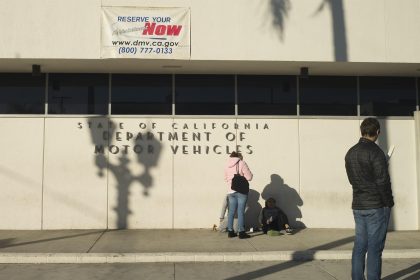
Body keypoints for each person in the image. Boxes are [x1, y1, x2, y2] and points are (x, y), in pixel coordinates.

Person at [345, 117, 394, 280]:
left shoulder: (350, 152)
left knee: (359, 246)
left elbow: (353, 180)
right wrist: (389, 203)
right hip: (376, 206)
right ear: (378, 132)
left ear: (362, 131)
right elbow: (383, 182)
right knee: (374, 249)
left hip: (358, 205)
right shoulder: (376, 152)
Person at [224, 151, 253, 239]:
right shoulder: (242, 163)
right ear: (239, 157)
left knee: (231, 212)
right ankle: (241, 232)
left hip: (230, 190)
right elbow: (249, 177)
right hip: (241, 191)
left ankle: (230, 231)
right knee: (240, 212)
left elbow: (225, 178)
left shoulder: (226, 164)